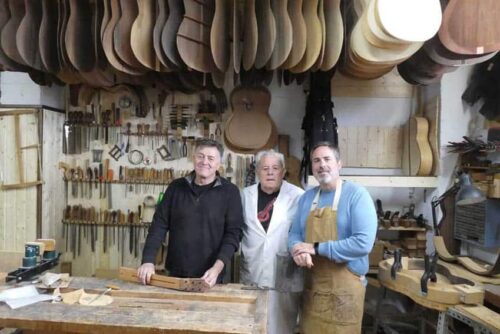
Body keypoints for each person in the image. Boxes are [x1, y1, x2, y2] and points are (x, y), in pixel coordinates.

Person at [288, 142, 377, 333]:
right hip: (314, 290)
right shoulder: (306, 198)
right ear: (312, 167)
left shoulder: (356, 195)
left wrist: (315, 248)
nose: (322, 165)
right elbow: (294, 234)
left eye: (327, 159)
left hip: (345, 293)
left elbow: (363, 243)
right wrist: (297, 250)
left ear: (339, 164)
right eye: (316, 160)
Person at [138, 138, 243, 288]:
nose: (204, 161)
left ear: (219, 163)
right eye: (200, 156)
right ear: (193, 158)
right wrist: (148, 260)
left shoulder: (230, 192)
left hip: (211, 276)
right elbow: (158, 226)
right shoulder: (176, 187)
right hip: (176, 273)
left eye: (211, 158)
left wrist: (217, 268)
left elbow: (233, 234)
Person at [240, 150, 304, 334]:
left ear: (283, 171)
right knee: (251, 321)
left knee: (282, 323)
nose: (270, 172)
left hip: (284, 270)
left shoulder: (298, 196)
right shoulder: (245, 195)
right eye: (265, 168)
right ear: (258, 171)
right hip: (253, 267)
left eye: (275, 168)